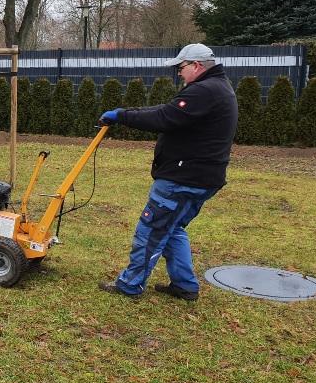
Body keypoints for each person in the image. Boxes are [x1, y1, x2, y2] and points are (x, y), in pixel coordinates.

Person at [97, 43, 238, 301]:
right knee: (173, 229)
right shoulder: (217, 88)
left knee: (151, 230)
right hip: (202, 179)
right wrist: (125, 114)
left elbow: (164, 117)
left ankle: (130, 284)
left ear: (196, 65)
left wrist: (121, 115)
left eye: (181, 68)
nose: (179, 74)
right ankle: (185, 286)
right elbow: (168, 111)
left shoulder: (205, 90)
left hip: (183, 179)